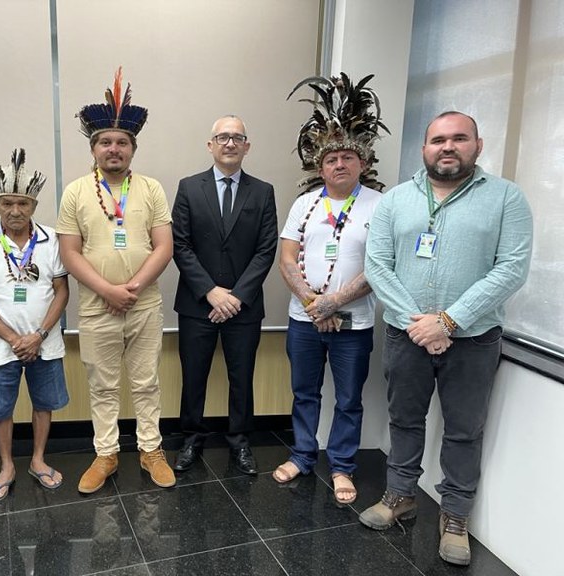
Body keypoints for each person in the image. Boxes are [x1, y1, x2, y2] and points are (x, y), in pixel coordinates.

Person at [359, 111, 533, 566]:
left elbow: (511, 268)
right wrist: (421, 323)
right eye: (438, 140)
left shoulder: (506, 199)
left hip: (474, 339)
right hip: (406, 335)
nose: (448, 147)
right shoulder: (395, 201)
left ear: (478, 144)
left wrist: (449, 322)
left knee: (463, 430)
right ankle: (400, 495)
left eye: (459, 138)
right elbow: (378, 266)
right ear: (424, 148)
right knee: (404, 419)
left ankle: (455, 516)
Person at [56, 67, 175, 493]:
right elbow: (70, 252)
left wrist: (134, 288)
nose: (114, 148)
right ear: (94, 148)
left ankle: (150, 450)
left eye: (122, 142)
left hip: (144, 303)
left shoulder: (151, 188)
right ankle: (105, 453)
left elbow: (163, 246)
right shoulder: (75, 192)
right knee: (102, 384)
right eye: (105, 142)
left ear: (132, 148)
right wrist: (107, 290)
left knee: (146, 381)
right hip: (96, 304)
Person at [272, 73, 388, 504]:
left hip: (353, 322)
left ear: (361, 163)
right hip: (304, 319)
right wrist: (311, 302)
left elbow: (381, 265)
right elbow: (286, 258)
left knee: (349, 398)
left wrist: (336, 301)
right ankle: (302, 455)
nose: (339, 164)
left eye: (347, 157)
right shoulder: (305, 203)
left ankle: (341, 466)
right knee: (304, 391)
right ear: (320, 167)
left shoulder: (381, 204)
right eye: (331, 159)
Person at [0, 149, 69, 501]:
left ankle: (38, 460)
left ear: (34, 206)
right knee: (0, 408)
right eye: (7, 203)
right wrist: (14, 338)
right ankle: (6, 465)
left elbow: (62, 291)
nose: (15, 211)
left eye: (23, 204)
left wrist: (37, 336)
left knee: (43, 403)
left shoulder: (52, 239)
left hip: (45, 341)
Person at [171, 115, 278, 475]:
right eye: (222, 137)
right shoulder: (189, 187)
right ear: (210, 145)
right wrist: (211, 292)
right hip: (197, 303)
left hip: (243, 307)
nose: (229, 143)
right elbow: (180, 245)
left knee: (241, 375)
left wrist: (236, 297)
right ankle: (191, 439)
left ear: (247, 146)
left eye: (237, 137)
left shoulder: (262, 191)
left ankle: (240, 442)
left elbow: (266, 249)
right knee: (194, 375)